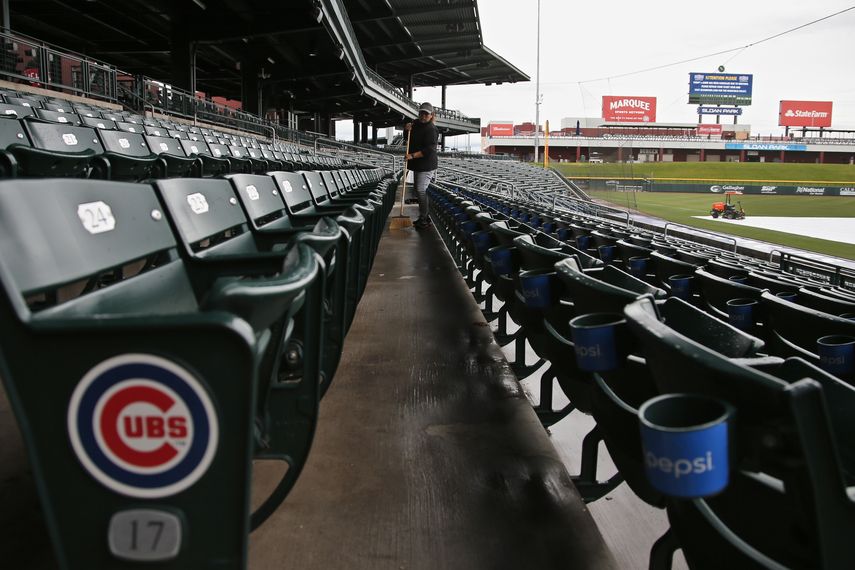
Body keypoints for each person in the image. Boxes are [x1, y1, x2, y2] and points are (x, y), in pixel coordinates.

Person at [404, 102, 438, 228]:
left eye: (426, 114)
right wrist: (406, 129)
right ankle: (425, 216)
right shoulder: (415, 123)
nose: (423, 116)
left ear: (431, 115)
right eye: (421, 113)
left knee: (420, 190)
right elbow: (407, 138)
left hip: (427, 164)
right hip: (418, 164)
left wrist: (412, 156)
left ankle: (424, 218)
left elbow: (429, 150)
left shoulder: (432, 129)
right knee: (418, 190)